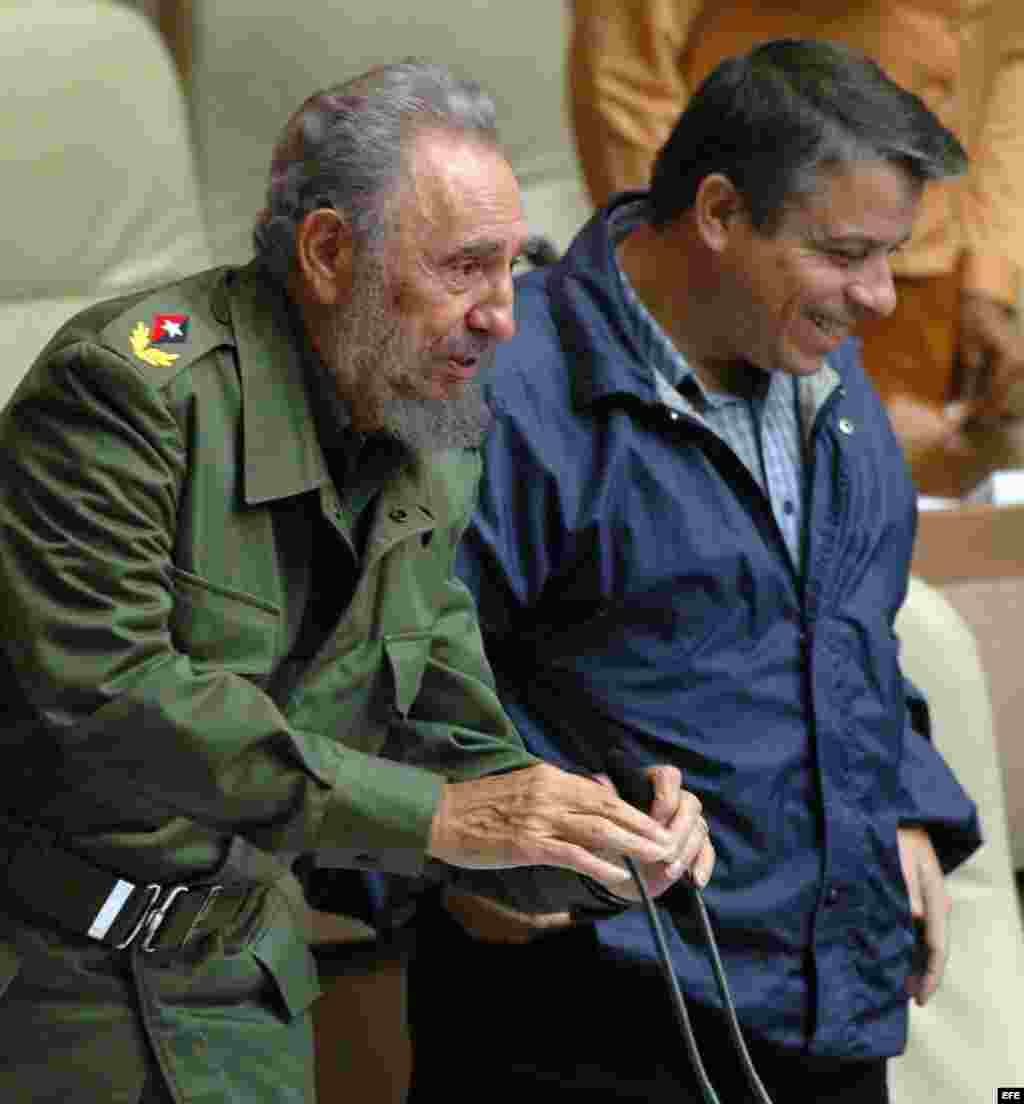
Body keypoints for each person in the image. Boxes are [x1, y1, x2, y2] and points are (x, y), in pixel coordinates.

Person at [0, 61, 712, 1104]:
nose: (502, 317)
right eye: (464, 268)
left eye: (513, 268)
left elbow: (443, 731)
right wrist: (436, 818)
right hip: (49, 994)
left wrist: (602, 845)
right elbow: (110, 700)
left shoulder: (431, 437)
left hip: (243, 992)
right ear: (330, 253)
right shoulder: (130, 392)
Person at [404, 41, 981, 1104]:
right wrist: (455, 867)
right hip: (592, 1020)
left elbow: (845, 636)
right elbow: (367, 684)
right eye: (845, 252)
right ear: (718, 213)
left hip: (834, 1006)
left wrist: (899, 794)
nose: (880, 298)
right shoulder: (502, 393)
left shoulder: (825, 371)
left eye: (891, 254)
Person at [568, 0, 1024, 496]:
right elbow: (624, 66)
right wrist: (685, 281)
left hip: (943, 285)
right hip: (750, 280)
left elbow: (1012, 56)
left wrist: (991, 271)